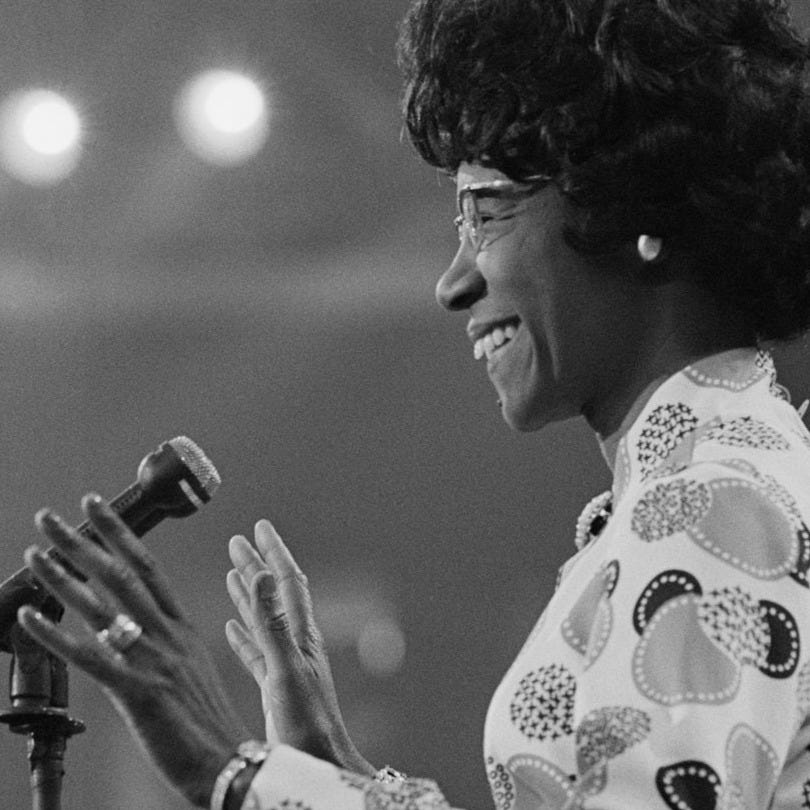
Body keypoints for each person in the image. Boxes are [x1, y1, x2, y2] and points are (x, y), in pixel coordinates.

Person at [13, 0, 810, 807]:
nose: (453, 280)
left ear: (641, 209)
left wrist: (233, 770)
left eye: (488, 212)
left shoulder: (715, 505)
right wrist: (335, 768)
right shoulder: (718, 486)